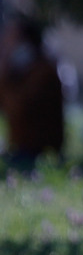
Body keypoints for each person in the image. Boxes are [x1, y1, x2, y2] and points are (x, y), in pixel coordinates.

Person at [0, 14, 65, 164]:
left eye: (10, 41)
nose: (5, 46)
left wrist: (3, 72)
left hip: (38, 152)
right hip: (20, 149)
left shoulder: (43, 71)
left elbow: (17, 109)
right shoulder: (20, 73)